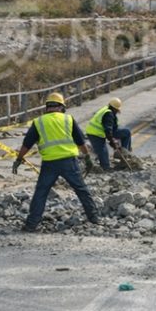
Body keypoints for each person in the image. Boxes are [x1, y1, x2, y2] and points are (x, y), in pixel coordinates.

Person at [12, 93, 100, 232]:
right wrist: (87, 157)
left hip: (49, 164)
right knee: (81, 189)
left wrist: (18, 159)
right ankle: (94, 218)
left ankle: (31, 224)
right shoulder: (68, 119)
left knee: (41, 192)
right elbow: (80, 141)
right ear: (61, 107)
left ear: (47, 107)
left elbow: (26, 144)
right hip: (69, 162)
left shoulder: (39, 122)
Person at [85, 98, 132, 170]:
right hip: (95, 134)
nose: (117, 112)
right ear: (115, 109)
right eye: (117, 110)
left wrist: (113, 141)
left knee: (126, 132)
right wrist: (112, 141)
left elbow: (110, 129)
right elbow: (108, 130)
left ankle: (124, 153)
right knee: (103, 151)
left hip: (99, 132)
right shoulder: (108, 114)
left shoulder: (107, 109)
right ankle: (106, 168)